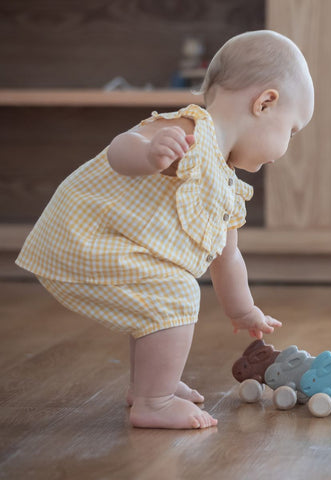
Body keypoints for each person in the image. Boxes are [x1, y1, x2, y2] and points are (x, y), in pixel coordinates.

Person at [16, 30, 315, 430]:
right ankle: (153, 401)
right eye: (291, 132)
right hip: (85, 238)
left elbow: (227, 256)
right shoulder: (192, 130)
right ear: (265, 103)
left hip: (122, 250)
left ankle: (148, 386)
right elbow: (122, 146)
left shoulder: (225, 182)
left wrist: (244, 310)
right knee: (175, 291)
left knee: (158, 295)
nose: (286, 148)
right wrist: (147, 153)